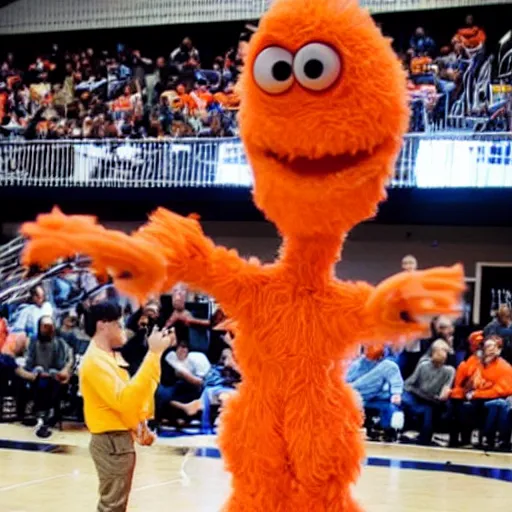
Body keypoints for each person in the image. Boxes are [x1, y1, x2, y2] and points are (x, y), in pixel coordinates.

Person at [79, 301, 172, 512]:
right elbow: (125, 400)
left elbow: (132, 396)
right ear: (103, 325)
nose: (122, 328)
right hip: (111, 442)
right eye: (118, 324)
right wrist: (154, 354)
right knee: (112, 506)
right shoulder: (94, 362)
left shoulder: (108, 356)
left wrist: (139, 425)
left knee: (116, 505)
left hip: (118, 441)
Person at [24, 315, 74, 438]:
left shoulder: (60, 343)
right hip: (37, 376)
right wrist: (36, 371)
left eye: (50, 326)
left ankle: (48, 415)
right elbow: (29, 362)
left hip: (54, 376)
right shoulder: (33, 342)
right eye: (45, 326)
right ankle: (37, 413)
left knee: (54, 383)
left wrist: (54, 373)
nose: (47, 329)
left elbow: (63, 364)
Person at [402, 340, 455, 445]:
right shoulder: (423, 365)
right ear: (432, 353)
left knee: (429, 409)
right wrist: (421, 393)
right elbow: (408, 385)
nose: (440, 354)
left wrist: (442, 395)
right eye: (438, 352)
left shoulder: (449, 370)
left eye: (443, 352)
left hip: (435, 401)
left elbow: (446, 389)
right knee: (404, 398)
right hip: (419, 395)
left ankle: (425, 438)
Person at [347, 345, 403, 441]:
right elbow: (345, 381)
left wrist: (396, 393)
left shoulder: (388, 365)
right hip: (357, 395)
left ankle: (389, 431)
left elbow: (395, 379)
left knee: (390, 407)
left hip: (377, 396)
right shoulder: (357, 365)